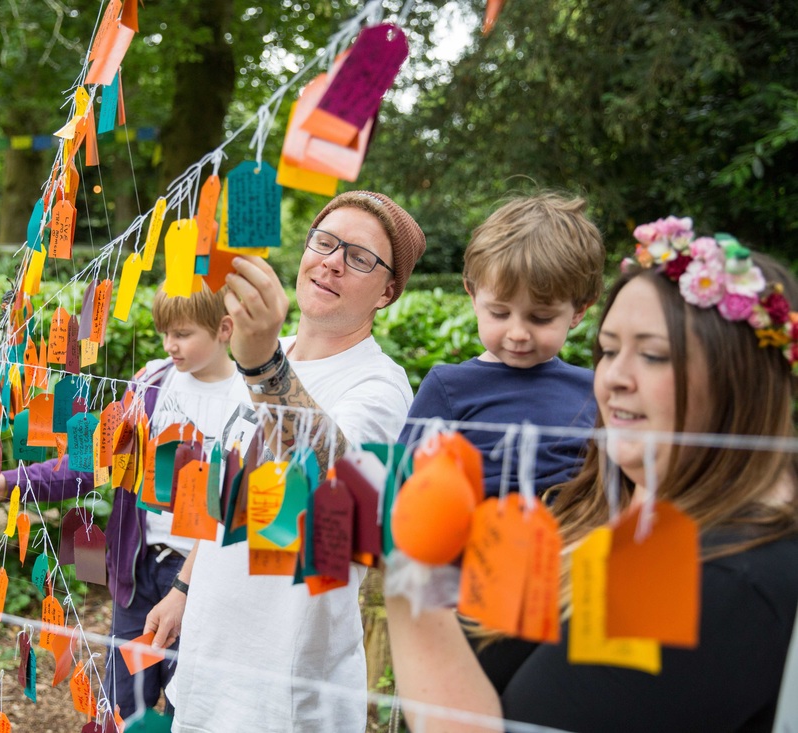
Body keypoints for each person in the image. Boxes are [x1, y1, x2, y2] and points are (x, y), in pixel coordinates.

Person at [386, 217, 798, 732]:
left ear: (737, 378)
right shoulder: (600, 506)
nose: (613, 379)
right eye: (608, 350)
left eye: (652, 355)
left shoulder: (718, 572)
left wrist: (407, 573)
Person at [147, 191, 427, 733]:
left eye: (360, 257)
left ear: (388, 292)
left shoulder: (381, 385)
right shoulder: (271, 351)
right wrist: (183, 588)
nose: (333, 261)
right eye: (325, 242)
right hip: (204, 672)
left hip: (284, 697)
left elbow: (333, 487)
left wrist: (261, 365)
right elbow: (223, 492)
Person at [0, 284, 249, 719]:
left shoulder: (247, 400)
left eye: (182, 334)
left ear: (224, 329)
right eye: (163, 332)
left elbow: (237, 507)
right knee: (123, 704)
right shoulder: (151, 384)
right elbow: (93, 460)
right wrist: (8, 482)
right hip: (136, 572)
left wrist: (187, 587)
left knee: (191, 708)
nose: (169, 345)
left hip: (201, 578)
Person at [399, 193, 606, 498]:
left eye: (540, 317)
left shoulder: (594, 390)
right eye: (499, 313)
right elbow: (407, 486)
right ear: (473, 296)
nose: (518, 332)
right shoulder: (448, 388)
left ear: (578, 311)